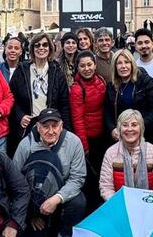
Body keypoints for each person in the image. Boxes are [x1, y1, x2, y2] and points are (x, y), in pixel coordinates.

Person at [13, 108, 87, 237]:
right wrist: (30, 215)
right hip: (34, 198)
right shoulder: (25, 145)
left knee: (78, 202)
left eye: (55, 126)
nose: (51, 131)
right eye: (45, 126)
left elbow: (78, 178)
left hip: (61, 195)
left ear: (61, 126)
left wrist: (57, 198)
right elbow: (15, 180)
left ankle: (65, 233)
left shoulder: (74, 142)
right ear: (38, 127)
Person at [9, 33, 72, 152]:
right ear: (32, 49)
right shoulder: (22, 69)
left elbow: (64, 103)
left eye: (45, 45)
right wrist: (20, 116)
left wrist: (66, 130)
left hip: (51, 126)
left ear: (50, 48)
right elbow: (11, 97)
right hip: (27, 126)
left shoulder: (57, 71)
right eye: (37, 45)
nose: (41, 48)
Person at [99, 109, 153, 201]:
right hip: (120, 204)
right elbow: (106, 187)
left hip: (150, 203)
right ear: (119, 129)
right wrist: (118, 203)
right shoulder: (111, 153)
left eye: (134, 125)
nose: (129, 129)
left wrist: (151, 203)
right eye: (125, 125)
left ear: (141, 128)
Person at [68, 50, 108, 213]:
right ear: (77, 68)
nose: (86, 68)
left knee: (103, 174)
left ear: (95, 65)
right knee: (91, 178)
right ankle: (91, 209)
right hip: (88, 139)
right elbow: (77, 118)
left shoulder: (101, 81)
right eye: (82, 66)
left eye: (89, 64)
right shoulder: (77, 89)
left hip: (102, 135)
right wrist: (84, 146)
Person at [104, 49, 153, 140]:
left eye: (127, 62)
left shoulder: (145, 81)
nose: (123, 66)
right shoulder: (111, 86)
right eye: (119, 63)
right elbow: (107, 111)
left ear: (132, 64)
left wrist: (139, 126)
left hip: (145, 133)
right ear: (114, 66)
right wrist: (112, 129)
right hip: (121, 135)